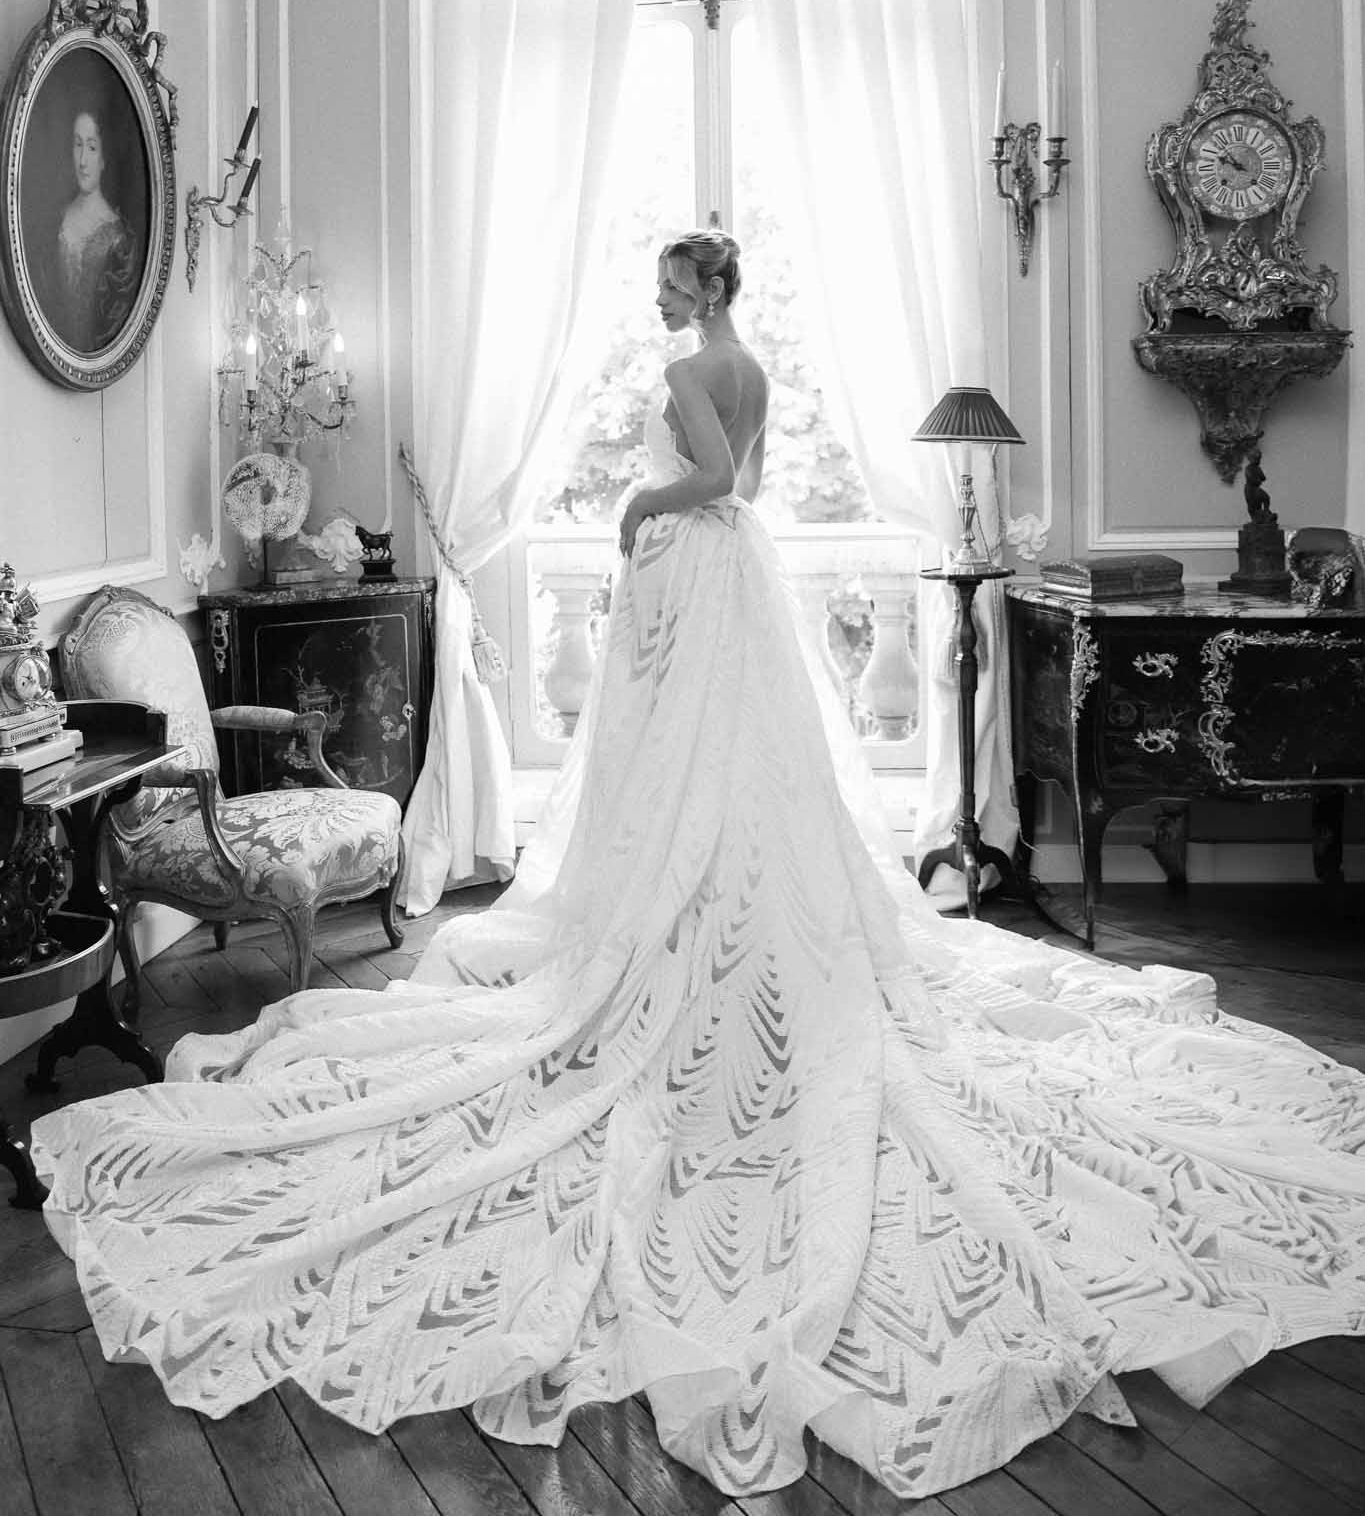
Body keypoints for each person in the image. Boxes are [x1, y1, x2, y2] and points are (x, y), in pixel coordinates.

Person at [30, 231, 1365, 1501]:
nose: (660, 300)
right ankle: (714, 931)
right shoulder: (755, 363)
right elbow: (757, 486)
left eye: (670, 282)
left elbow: (715, 479)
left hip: (694, 561)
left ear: (699, 288)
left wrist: (633, 500)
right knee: (720, 779)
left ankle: (690, 957)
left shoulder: (686, 374)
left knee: (691, 774)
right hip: (741, 581)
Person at [48, 107, 137, 352]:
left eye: (92, 147)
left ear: (104, 158)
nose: (83, 160)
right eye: (77, 145)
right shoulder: (55, 220)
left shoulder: (118, 238)